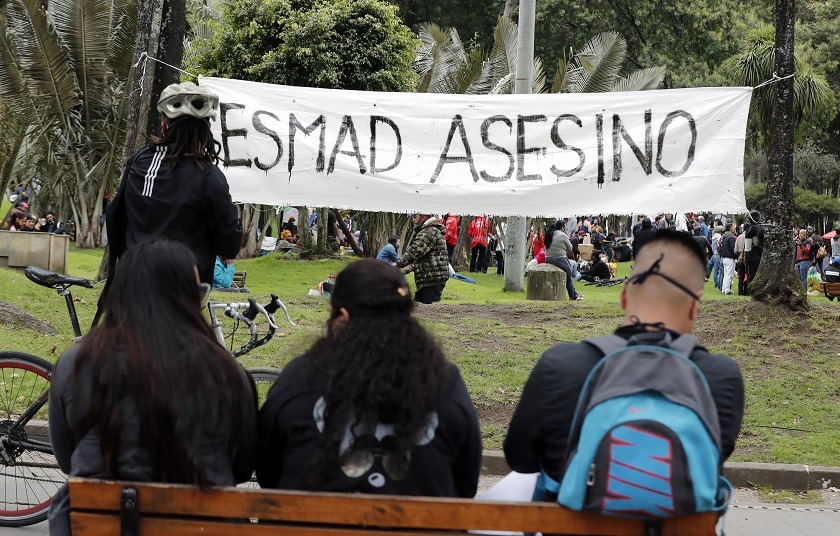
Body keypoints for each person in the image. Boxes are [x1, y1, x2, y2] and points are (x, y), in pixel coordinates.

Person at [504, 230, 744, 503]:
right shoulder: (721, 377)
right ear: (694, 307)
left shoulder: (559, 364)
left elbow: (520, 459)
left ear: (625, 296)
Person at [48, 239, 258, 535]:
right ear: (189, 299)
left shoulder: (77, 364)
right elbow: (239, 467)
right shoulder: (228, 373)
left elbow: (67, 459)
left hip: (96, 525)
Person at [257, 260, 481, 497]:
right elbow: (465, 483)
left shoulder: (299, 377)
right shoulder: (446, 382)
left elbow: (268, 472)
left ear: (341, 315)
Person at [106, 81, 242, 284]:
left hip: (131, 283)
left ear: (164, 125)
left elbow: (116, 215)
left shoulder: (140, 161)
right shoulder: (210, 176)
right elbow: (229, 244)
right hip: (183, 292)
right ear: (207, 130)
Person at [396, 213, 449, 304]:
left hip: (431, 279)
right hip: (429, 279)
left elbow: (415, 251)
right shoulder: (431, 230)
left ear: (423, 217)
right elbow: (423, 257)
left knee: (430, 312)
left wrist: (397, 264)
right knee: (417, 308)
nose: (413, 220)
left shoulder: (429, 231)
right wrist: (408, 268)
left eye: (415, 217)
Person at [544, 219, 582, 300]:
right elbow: (570, 248)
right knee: (568, 274)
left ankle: (575, 293)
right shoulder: (562, 235)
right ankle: (572, 296)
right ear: (562, 227)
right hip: (559, 258)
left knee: (567, 265)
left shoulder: (550, 234)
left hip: (548, 258)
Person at [719, 223, 737, 295]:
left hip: (724, 257)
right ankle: (727, 290)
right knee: (729, 274)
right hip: (730, 257)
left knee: (726, 274)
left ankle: (723, 289)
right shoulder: (731, 237)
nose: (734, 228)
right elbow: (733, 249)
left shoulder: (724, 236)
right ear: (730, 228)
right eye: (733, 226)